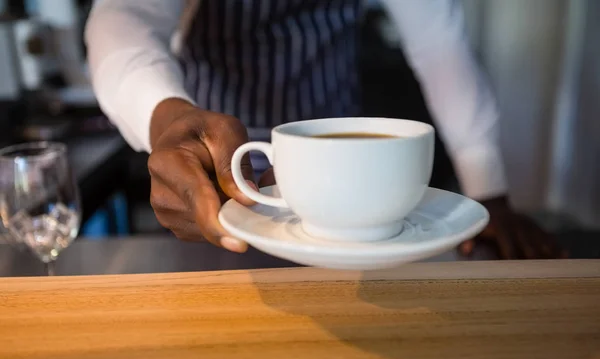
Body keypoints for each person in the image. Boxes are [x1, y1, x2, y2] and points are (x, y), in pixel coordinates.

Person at [85, 0, 565, 259]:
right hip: (218, 175)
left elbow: (439, 42)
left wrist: (489, 189)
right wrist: (168, 119)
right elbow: (124, 17)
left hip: (344, 165)